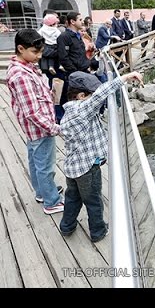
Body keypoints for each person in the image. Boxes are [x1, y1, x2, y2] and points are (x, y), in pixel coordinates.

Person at [59, 70, 143, 242]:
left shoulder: (69, 111)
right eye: (90, 94)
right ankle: (98, 231)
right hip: (87, 169)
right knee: (94, 201)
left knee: (72, 198)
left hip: (73, 167)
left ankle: (67, 226)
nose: (94, 99)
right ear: (82, 96)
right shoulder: (82, 109)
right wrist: (126, 77)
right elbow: (101, 94)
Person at [6, 29, 64, 214]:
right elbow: (32, 113)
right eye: (35, 52)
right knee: (45, 166)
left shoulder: (27, 66)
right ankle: (52, 201)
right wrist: (55, 128)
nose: (39, 56)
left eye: (40, 52)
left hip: (34, 130)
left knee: (36, 162)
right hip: (40, 129)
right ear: (20, 48)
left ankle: (43, 192)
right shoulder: (20, 75)